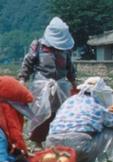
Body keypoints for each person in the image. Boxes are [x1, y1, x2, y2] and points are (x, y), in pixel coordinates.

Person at [18, 17, 77, 145]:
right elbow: (28, 63)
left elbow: (69, 67)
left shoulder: (65, 50)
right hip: (42, 84)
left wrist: (74, 84)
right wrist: (22, 79)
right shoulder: (38, 46)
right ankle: (38, 141)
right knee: (40, 112)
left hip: (60, 85)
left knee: (59, 113)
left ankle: (56, 141)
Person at [46, 77, 113, 162]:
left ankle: (64, 159)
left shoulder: (70, 100)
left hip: (52, 147)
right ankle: (103, 160)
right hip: (78, 147)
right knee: (110, 133)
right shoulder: (98, 105)